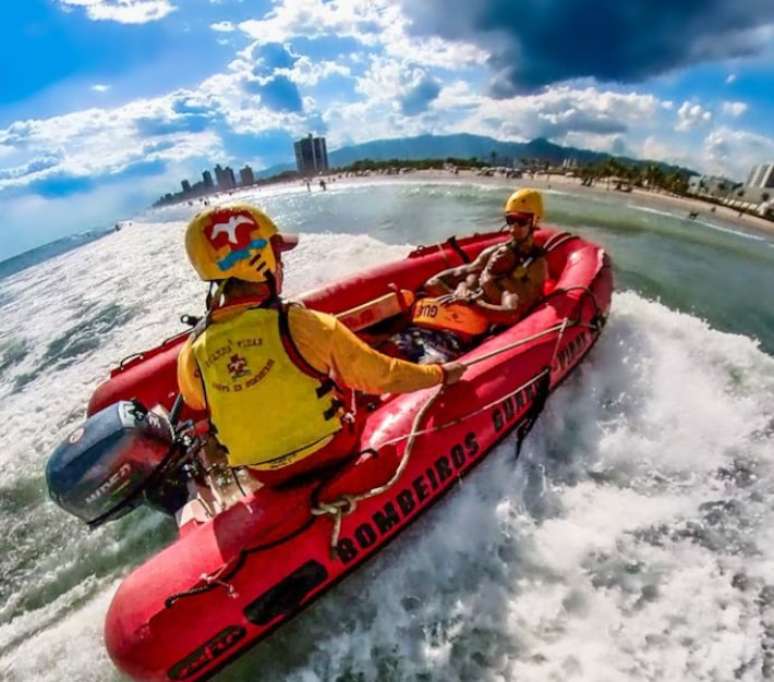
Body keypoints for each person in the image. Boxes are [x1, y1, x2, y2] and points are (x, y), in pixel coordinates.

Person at [176, 203, 466, 486]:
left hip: (264, 474)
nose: (282, 264)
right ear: (259, 260)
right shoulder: (299, 322)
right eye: (277, 255)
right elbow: (382, 375)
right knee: (352, 381)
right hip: (329, 452)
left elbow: (196, 400)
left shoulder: (191, 351)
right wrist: (440, 374)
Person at [393, 188, 548, 364]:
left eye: (521, 222)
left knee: (423, 363)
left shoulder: (531, 268)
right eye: (510, 220)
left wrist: (472, 304)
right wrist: (458, 295)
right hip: (445, 324)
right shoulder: (491, 255)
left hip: (468, 335)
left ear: (535, 221)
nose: (513, 228)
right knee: (394, 345)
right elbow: (434, 283)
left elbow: (513, 314)